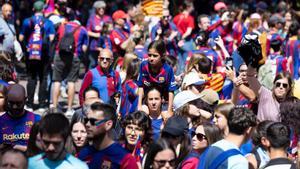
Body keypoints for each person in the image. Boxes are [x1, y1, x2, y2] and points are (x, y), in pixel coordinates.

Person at [78, 102, 138, 168]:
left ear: (108, 125)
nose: (87, 124)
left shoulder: (125, 158)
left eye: (93, 121)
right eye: (86, 120)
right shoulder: (82, 154)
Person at [19, 1, 55, 111]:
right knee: (43, 78)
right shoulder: (48, 22)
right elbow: (52, 38)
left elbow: (21, 38)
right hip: (43, 54)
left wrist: (27, 47)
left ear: (33, 9)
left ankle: (29, 104)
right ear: (43, 10)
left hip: (30, 54)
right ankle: (42, 105)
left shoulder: (27, 21)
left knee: (31, 78)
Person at [52, 10, 88, 116]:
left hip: (60, 54)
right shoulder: (82, 30)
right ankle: (69, 109)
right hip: (74, 56)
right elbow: (84, 48)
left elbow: (56, 39)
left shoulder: (62, 26)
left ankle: (54, 107)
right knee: (71, 82)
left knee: (57, 81)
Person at [137, 40, 177, 115]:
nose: (151, 58)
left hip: (163, 101)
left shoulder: (168, 69)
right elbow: (141, 85)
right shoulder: (143, 65)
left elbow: (171, 90)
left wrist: (169, 110)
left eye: (155, 56)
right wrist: (139, 105)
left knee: (166, 117)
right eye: (149, 55)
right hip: (148, 100)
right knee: (143, 114)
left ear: (162, 55)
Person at [0, 84, 41, 152]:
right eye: (11, 103)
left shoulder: (36, 120)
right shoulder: (1, 121)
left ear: (25, 100)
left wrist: (21, 148)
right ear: (6, 100)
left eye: (18, 103)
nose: (14, 107)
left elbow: (43, 147)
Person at [86, 0, 112, 69]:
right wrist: (96, 35)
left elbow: (111, 30)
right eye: (99, 8)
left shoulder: (108, 18)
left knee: (105, 64)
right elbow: (87, 31)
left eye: (103, 8)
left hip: (105, 45)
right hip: (94, 46)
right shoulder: (92, 19)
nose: (101, 10)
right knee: (93, 63)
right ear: (96, 9)